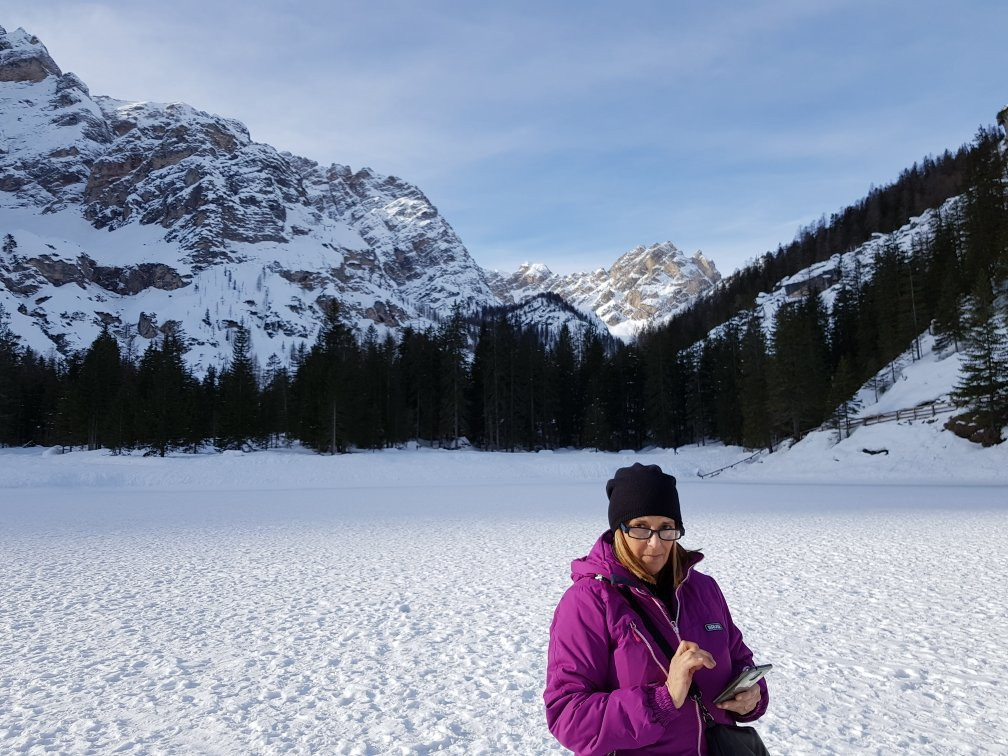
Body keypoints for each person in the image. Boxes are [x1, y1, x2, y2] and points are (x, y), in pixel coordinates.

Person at [544, 462, 769, 755]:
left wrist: (752, 697)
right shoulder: (589, 601)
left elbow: (741, 661)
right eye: (640, 528)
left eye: (666, 528)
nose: (655, 544)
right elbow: (568, 717)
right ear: (619, 530)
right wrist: (663, 699)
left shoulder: (703, 589)